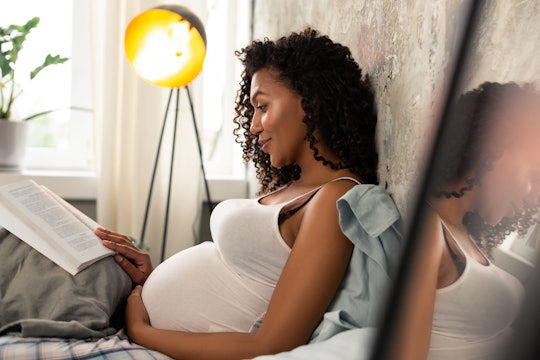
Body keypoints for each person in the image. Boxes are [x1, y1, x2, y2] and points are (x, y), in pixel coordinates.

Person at [94, 27, 398, 360]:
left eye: (262, 106)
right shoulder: (293, 189)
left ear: (311, 101)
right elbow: (239, 280)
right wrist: (151, 280)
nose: (253, 126)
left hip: (152, 339)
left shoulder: (332, 201)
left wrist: (143, 334)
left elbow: (272, 345)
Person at [384, 81, 540, 359]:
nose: (532, 199)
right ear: (497, 144)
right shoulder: (429, 231)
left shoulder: (464, 233)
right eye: (534, 177)